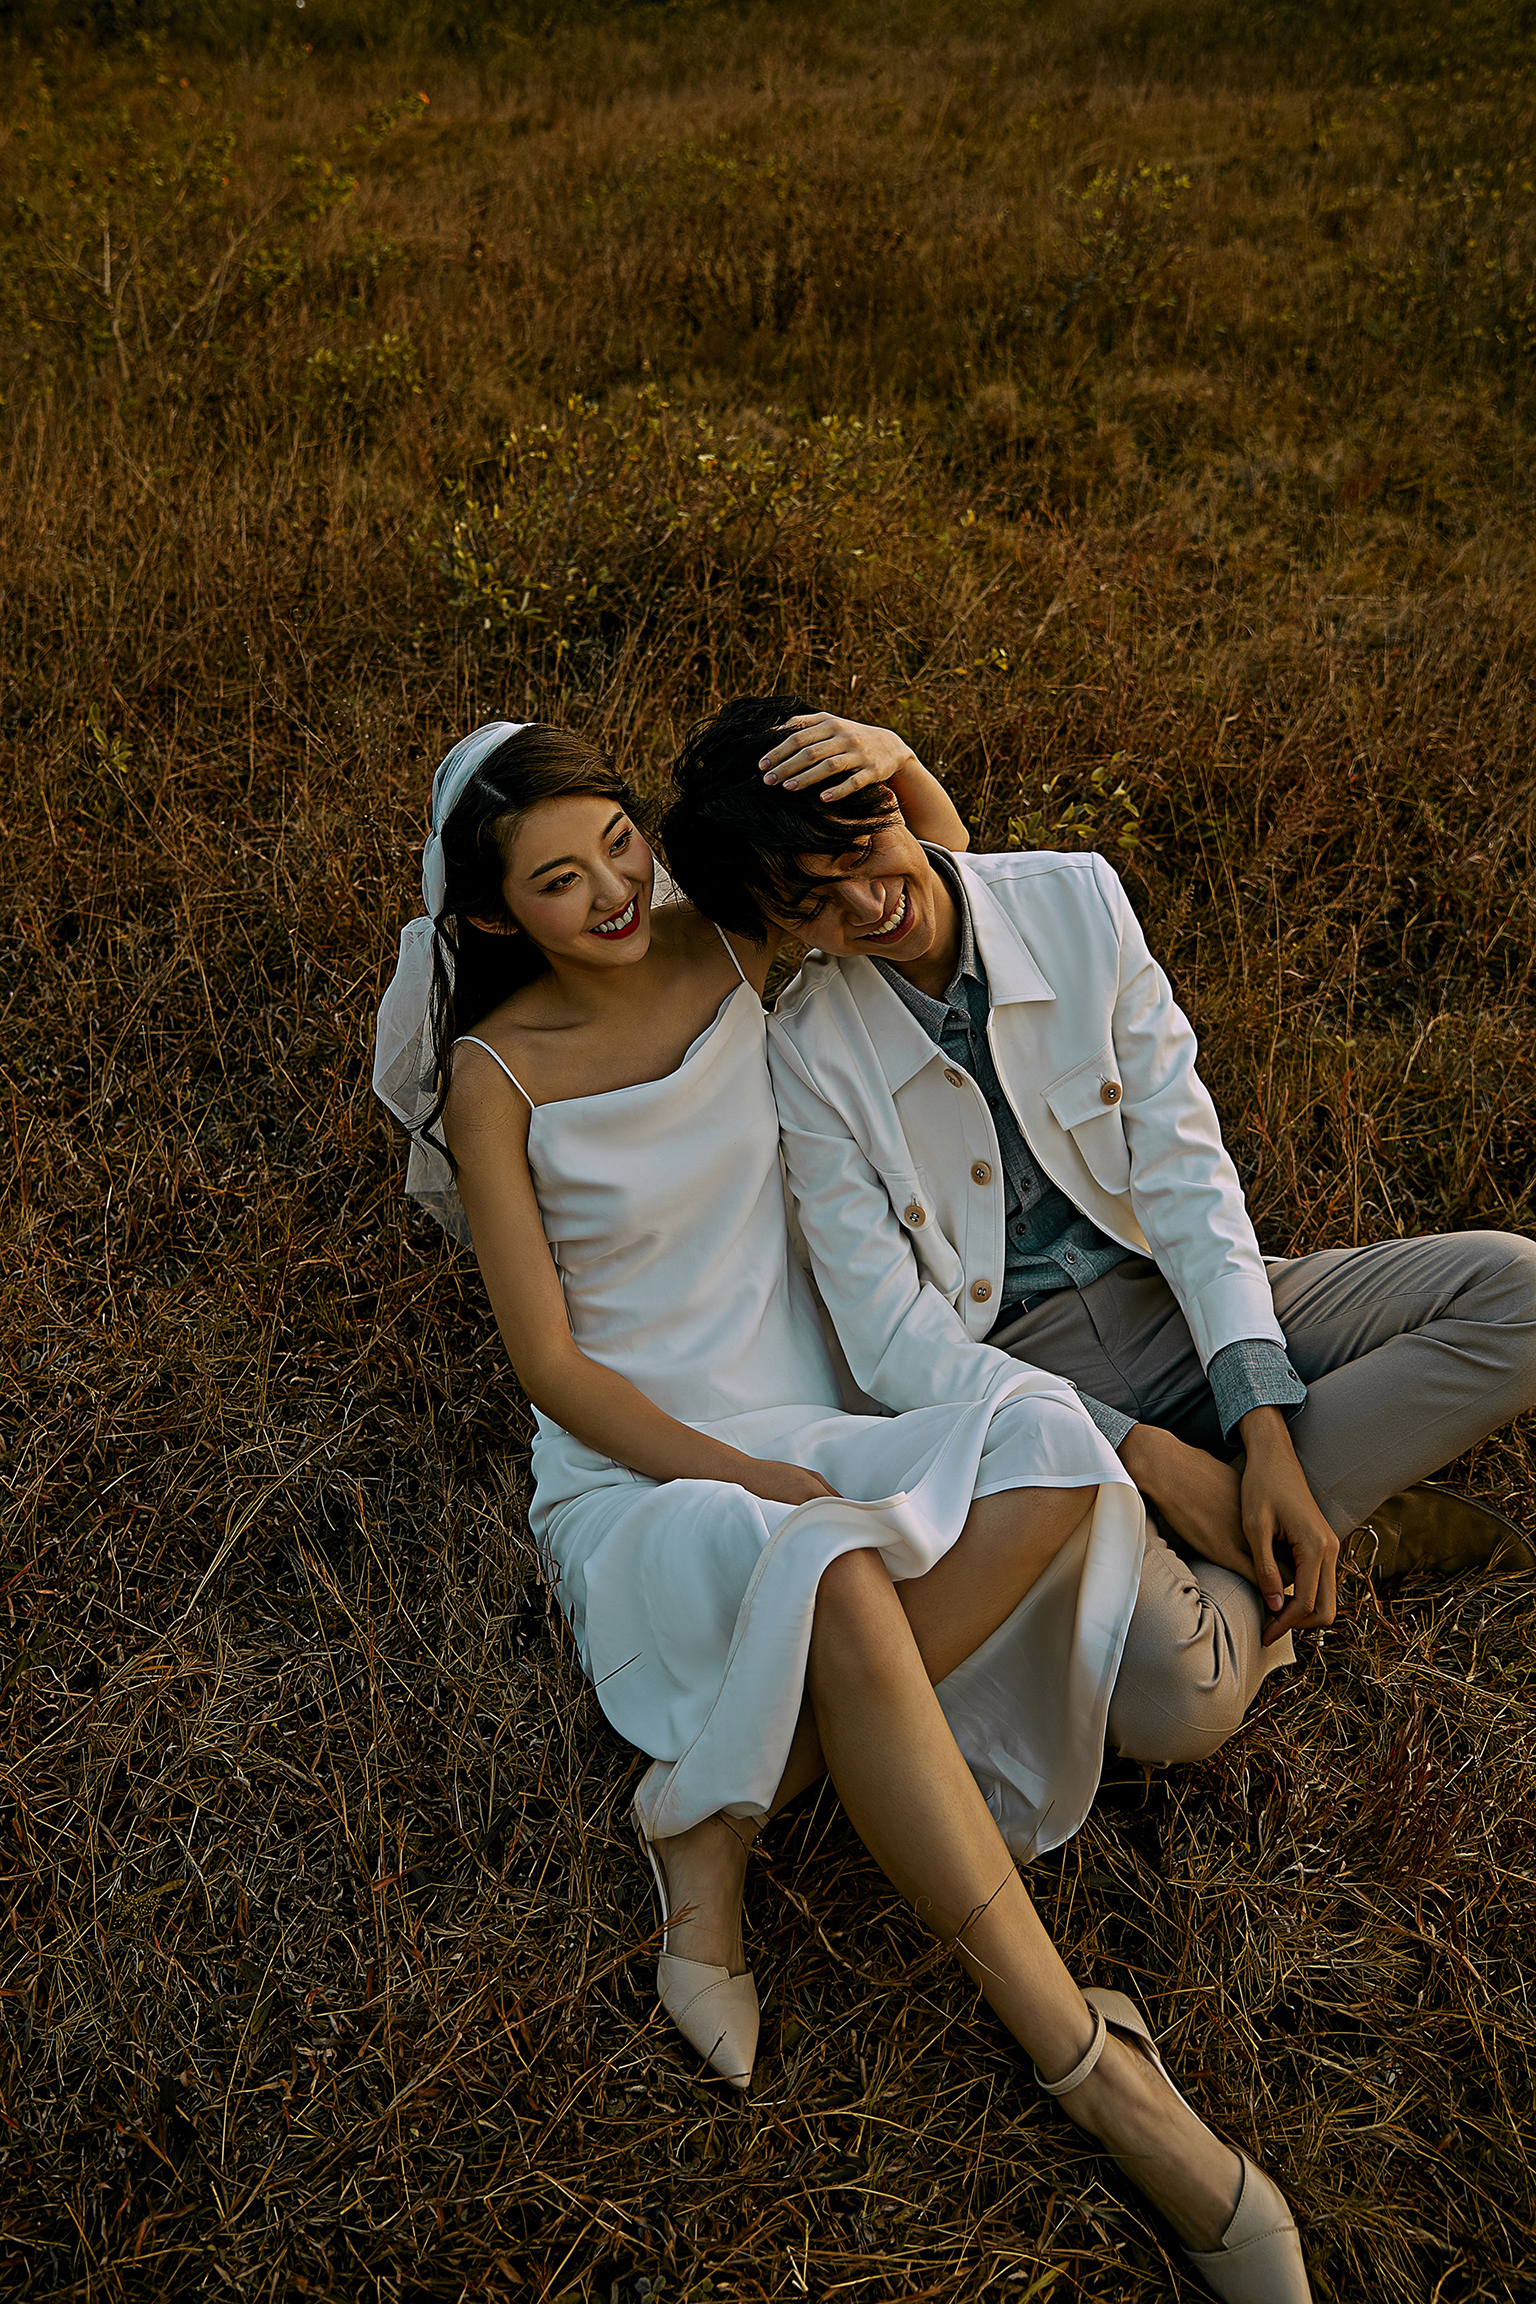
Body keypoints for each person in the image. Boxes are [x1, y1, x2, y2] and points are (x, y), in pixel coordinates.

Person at [373, 716, 1312, 2302]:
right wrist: (748, 1479)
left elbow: (924, 879)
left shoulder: (727, 940)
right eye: (558, 881)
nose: (612, 892)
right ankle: (1103, 2074)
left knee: (1050, 1443)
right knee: (837, 1575)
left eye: (618, 843)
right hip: (649, 1463)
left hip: (822, 1406)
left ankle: (720, 1805)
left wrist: (889, 746)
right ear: (488, 916)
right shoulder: (494, 1073)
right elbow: (551, 1368)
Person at [661, 692, 1536, 1787]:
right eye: (814, 907)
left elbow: (1183, 1170)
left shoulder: (1074, 898)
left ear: (894, 799)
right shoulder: (803, 1050)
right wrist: (1145, 1453)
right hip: (1027, 1384)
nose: (869, 906)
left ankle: (1278, 1509)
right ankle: (1333, 1518)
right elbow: (892, 1340)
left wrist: (1260, 1425)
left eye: (862, 853)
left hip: (1172, 1295)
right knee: (1178, 1701)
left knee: (1520, 1291)